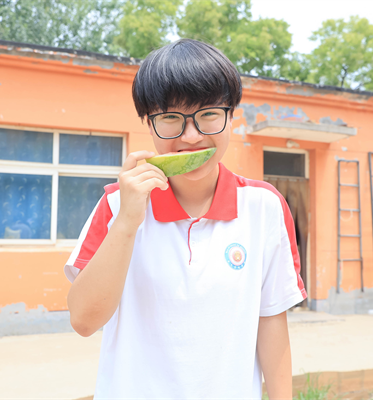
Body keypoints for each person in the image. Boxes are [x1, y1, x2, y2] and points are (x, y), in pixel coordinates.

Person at [64, 39, 307, 399]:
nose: (191, 137)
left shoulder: (263, 207)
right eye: (170, 118)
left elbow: (270, 320)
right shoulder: (117, 204)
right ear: (149, 124)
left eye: (208, 114)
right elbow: (84, 321)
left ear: (231, 116)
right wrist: (128, 221)